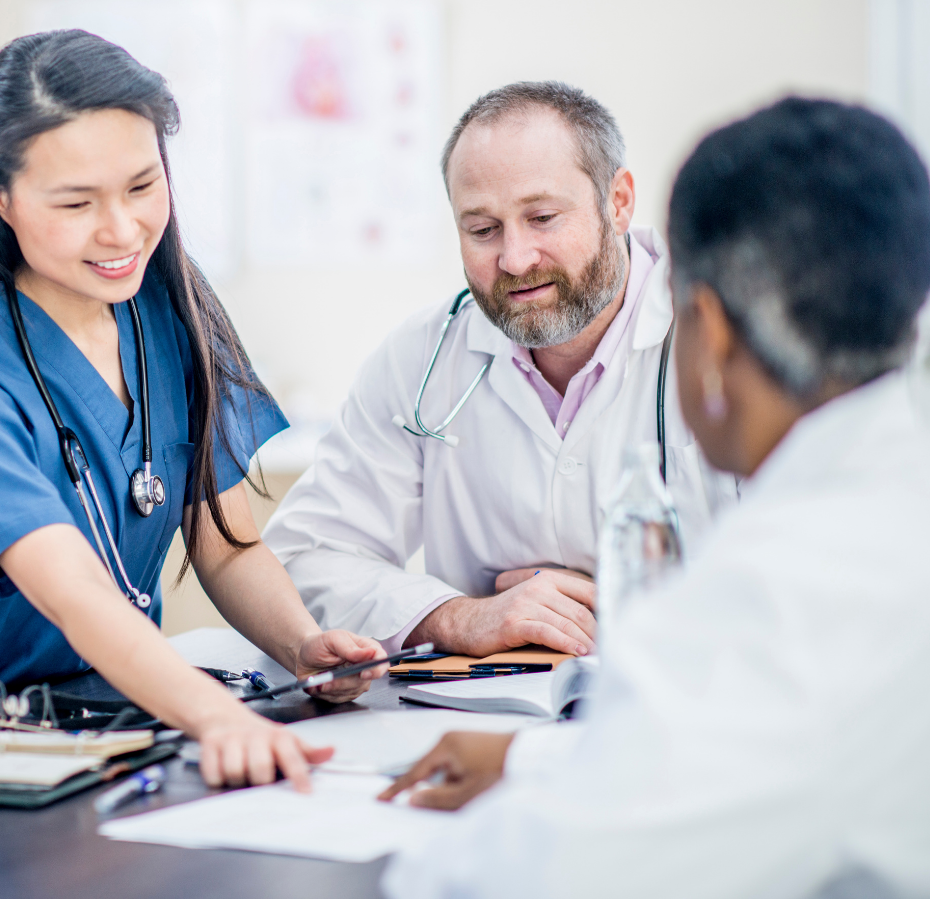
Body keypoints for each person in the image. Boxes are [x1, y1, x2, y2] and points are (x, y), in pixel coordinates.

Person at [379, 97, 930, 898]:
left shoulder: (790, 582)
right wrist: (534, 757)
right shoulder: (888, 498)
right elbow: (747, 746)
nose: (515, 254)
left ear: (703, 325)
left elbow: (554, 866)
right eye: (485, 227)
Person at [0, 30, 384, 791]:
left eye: (142, 187)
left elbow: (228, 546)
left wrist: (302, 644)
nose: (121, 230)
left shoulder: (163, 313)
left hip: (125, 733)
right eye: (76, 202)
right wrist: (215, 717)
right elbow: (77, 593)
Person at [263, 81, 738, 658]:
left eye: (541, 218)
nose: (514, 259)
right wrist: (456, 617)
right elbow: (299, 560)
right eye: (482, 230)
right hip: (481, 723)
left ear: (618, 203)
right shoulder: (421, 357)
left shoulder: (727, 340)